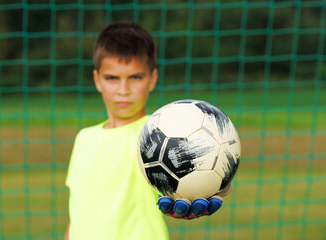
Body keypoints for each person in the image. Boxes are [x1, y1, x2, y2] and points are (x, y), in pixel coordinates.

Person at [64, 22, 231, 240]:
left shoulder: (155, 138)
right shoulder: (84, 139)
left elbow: (197, 162)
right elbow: (78, 214)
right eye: (112, 78)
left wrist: (216, 187)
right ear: (97, 80)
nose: (123, 90)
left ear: (152, 78)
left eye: (135, 77)